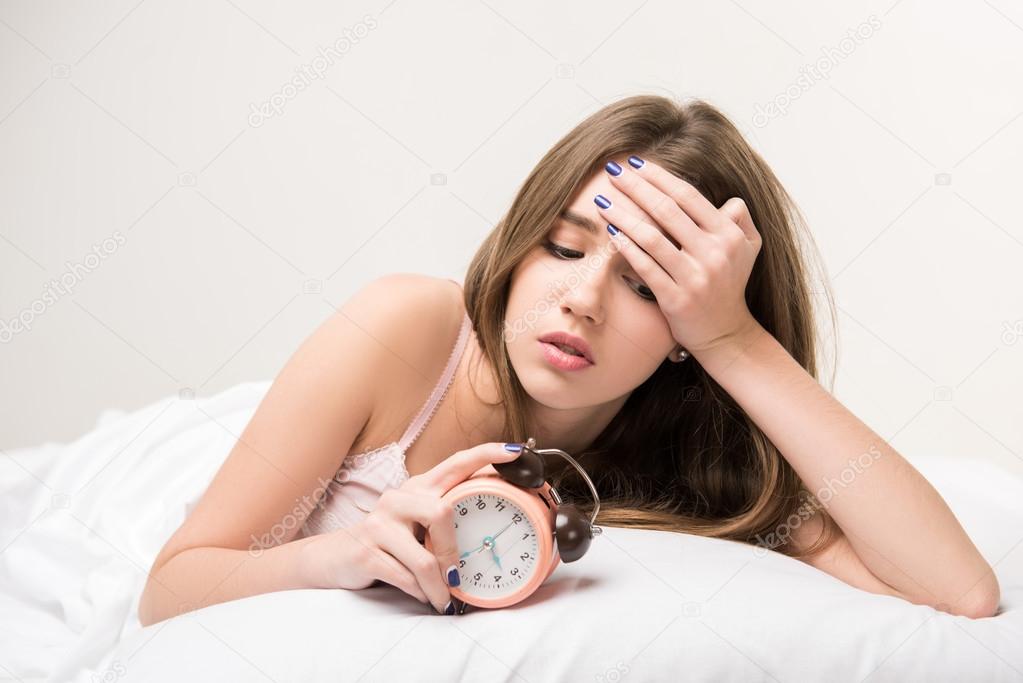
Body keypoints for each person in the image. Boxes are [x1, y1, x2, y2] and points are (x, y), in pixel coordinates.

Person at [138, 94, 1000, 626]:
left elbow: (958, 591)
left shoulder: (687, 455)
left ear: (685, 339)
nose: (581, 298)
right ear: (519, 244)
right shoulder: (405, 325)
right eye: (562, 246)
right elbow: (170, 586)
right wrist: (339, 558)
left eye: (646, 287)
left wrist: (734, 342)